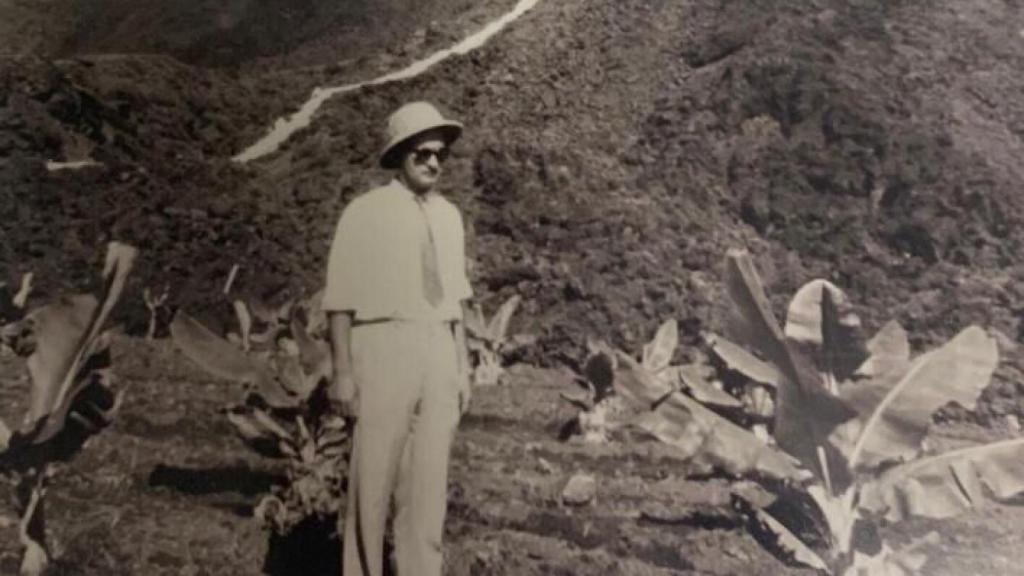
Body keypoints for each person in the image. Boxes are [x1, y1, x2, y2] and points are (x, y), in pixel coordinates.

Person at [322, 101, 474, 576]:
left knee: (428, 491)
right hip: (383, 346)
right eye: (422, 153)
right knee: (372, 487)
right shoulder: (364, 212)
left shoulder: (450, 217)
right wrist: (343, 373)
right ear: (400, 155)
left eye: (440, 154)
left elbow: (458, 301)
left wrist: (462, 365)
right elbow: (340, 300)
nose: (433, 162)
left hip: (439, 352)